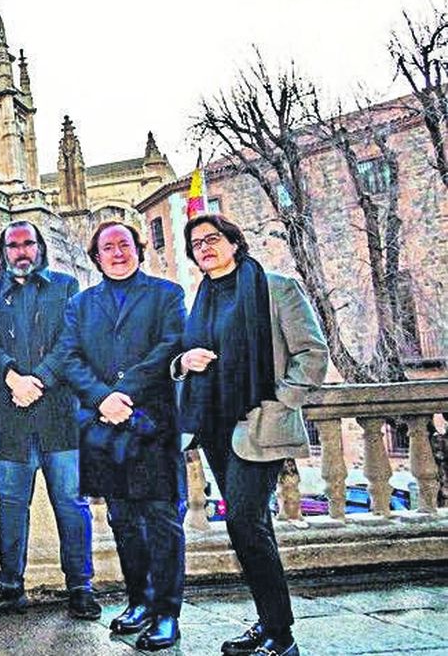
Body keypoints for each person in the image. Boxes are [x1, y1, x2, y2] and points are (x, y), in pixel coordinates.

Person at [175, 214, 327, 656]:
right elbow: (182, 358)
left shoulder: (275, 287)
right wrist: (184, 363)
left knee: (243, 521)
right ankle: (269, 623)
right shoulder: (200, 298)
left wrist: (280, 401)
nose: (205, 247)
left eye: (213, 238)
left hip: (259, 424)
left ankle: (281, 636)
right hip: (216, 428)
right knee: (251, 529)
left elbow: (312, 354)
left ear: (234, 243)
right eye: (197, 243)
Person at [47, 221, 186, 651]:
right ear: (97, 257)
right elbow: (69, 357)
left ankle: (167, 613)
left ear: (138, 249)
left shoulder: (167, 295)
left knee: (162, 522)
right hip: (103, 427)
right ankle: (139, 602)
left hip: (152, 424)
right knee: (123, 519)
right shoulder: (82, 304)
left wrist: (122, 393)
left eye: (124, 244)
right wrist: (101, 398)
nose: (117, 252)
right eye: (108, 247)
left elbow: (170, 347)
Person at [0, 221, 98, 620]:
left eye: (28, 243)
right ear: (3, 251)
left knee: (70, 502)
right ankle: (11, 583)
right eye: (13, 245)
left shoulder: (64, 287)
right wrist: (12, 375)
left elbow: (72, 341)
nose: (22, 251)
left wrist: (39, 380)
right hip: (10, 418)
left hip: (58, 415)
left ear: (40, 247)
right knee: (10, 504)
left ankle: (80, 585)